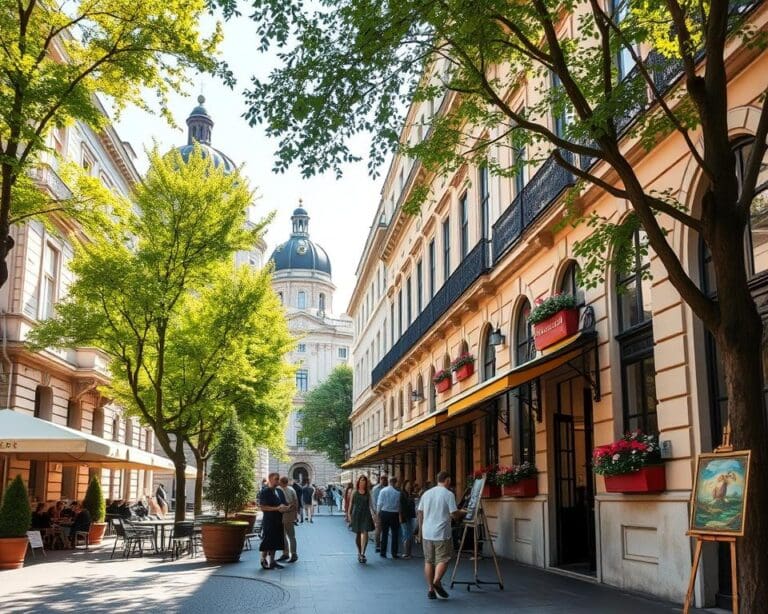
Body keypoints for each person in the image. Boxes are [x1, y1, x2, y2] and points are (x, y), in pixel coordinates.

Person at [417, 471, 466, 600]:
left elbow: (420, 513)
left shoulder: (426, 493)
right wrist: (463, 512)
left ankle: (431, 590)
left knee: (428, 561)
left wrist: (420, 531)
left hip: (427, 532)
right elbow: (454, 514)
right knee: (443, 559)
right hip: (441, 533)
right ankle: (437, 581)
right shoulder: (448, 494)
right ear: (447, 480)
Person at [259, 472, 289, 569]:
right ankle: (263, 560)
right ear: (270, 479)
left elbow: (283, 503)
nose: (278, 480)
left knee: (276, 541)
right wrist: (277, 508)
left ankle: (272, 561)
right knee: (268, 541)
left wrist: (286, 507)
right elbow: (263, 507)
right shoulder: (265, 492)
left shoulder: (279, 491)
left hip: (278, 520)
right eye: (276, 479)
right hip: (269, 521)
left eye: (278, 478)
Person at [347, 475, 375, 563]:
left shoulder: (368, 493)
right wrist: (349, 515)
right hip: (357, 515)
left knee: (365, 533)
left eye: (364, 481)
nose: (363, 482)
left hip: (366, 515)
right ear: (358, 482)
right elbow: (351, 504)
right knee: (358, 535)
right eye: (362, 480)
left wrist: (375, 513)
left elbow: (371, 505)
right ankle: (359, 552)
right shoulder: (354, 492)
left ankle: (363, 554)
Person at [376, 476, 402, 559]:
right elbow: (398, 505)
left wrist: (377, 514)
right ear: (395, 482)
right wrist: (399, 515)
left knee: (384, 533)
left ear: (389, 482)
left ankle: (383, 552)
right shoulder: (398, 493)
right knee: (395, 534)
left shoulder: (383, 491)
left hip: (384, 513)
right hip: (394, 514)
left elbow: (379, 503)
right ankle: (394, 553)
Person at [277, 477, 299, 563]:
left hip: (283, 514)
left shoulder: (279, 490)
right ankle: (292, 554)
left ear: (281, 482)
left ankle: (287, 553)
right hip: (289, 514)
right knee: (290, 536)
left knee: (285, 536)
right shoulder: (291, 489)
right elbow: (296, 502)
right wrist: (295, 515)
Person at [400, 479, 417, 559]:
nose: (409, 487)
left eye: (410, 485)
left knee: (410, 535)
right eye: (408, 485)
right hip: (405, 517)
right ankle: (406, 553)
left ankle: (409, 553)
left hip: (410, 516)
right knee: (407, 535)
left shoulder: (410, 495)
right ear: (404, 486)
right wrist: (400, 517)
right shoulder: (402, 494)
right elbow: (400, 507)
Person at [371, 474, 388, 552]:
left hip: (385, 511)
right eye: (383, 479)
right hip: (379, 512)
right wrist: (375, 513)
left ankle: (382, 544)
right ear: (380, 480)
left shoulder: (387, 488)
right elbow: (374, 502)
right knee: (378, 529)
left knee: (383, 529)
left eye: (385, 480)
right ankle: (377, 545)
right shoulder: (376, 489)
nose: (384, 481)